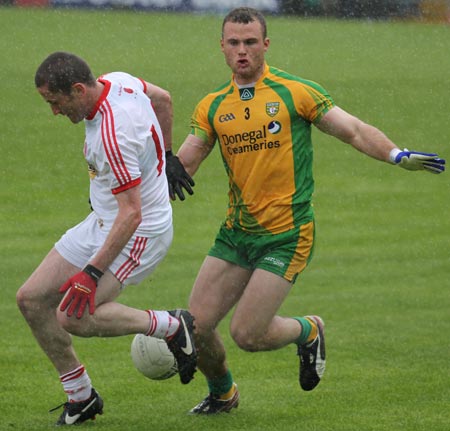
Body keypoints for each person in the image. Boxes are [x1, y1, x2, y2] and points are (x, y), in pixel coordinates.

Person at [165, 7, 446, 414]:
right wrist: (135, 183)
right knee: (196, 327)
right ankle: (222, 393)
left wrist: (396, 154)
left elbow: (352, 130)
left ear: (265, 44)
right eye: (233, 43)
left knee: (247, 334)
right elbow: (184, 165)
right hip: (236, 233)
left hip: (287, 234)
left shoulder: (296, 92)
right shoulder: (213, 106)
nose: (242, 51)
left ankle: (308, 330)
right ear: (222, 47)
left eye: (249, 42)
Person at [16, 52, 198, 426]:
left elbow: (132, 213)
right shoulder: (118, 79)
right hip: (104, 220)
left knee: (73, 317)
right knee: (31, 299)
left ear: (79, 89)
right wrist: (167, 154)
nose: (54, 112)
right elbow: (163, 98)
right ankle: (80, 396)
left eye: (56, 102)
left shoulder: (111, 137)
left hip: (140, 231)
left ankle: (171, 326)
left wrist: (91, 274)